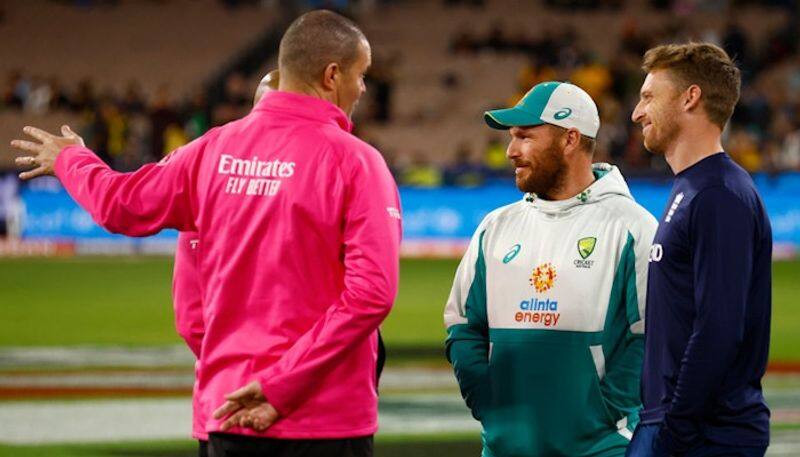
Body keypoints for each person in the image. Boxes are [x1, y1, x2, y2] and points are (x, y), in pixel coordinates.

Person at [12, 10, 401, 457]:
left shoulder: (211, 151)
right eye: (362, 74)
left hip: (228, 412)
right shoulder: (356, 162)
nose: (364, 88)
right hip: (322, 421)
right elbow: (371, 294)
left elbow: (121, 207)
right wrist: (280, 385)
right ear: (333, 75)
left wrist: (73, 160)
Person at [444, 81, 658, 457]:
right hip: (504, 448)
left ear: (570, 139)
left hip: (600, 448)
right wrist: (487, 402)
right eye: (511, 138)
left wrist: (603, 412)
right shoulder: (495, 227)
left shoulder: (633, 227)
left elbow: (652, 337)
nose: (510, 151)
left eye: (525, 137)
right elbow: (463, 324)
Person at [627, 43, 771, 457]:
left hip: (703, 435)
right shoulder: (695, 188)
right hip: (678, 425)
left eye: (649, 96)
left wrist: (676, 429)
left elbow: (719, 327)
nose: (637, 112)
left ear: (691, 97)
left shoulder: (717, 195)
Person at [173, 69, 281, 457]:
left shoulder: (208, 190)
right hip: (311, 412)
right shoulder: (330, 177)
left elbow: (191, 320)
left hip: (225, 401)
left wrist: (234, 369)